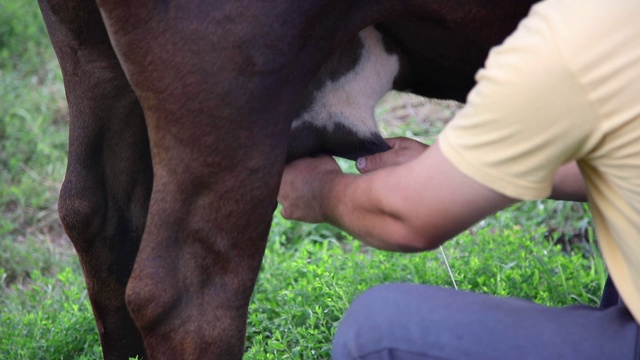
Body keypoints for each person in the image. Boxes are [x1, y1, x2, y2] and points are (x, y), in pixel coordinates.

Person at [277, 0, 640, 358]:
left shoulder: (586, 31)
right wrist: (454, 166)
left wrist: (319, 191)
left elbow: (407, 218)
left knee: (376, 331)